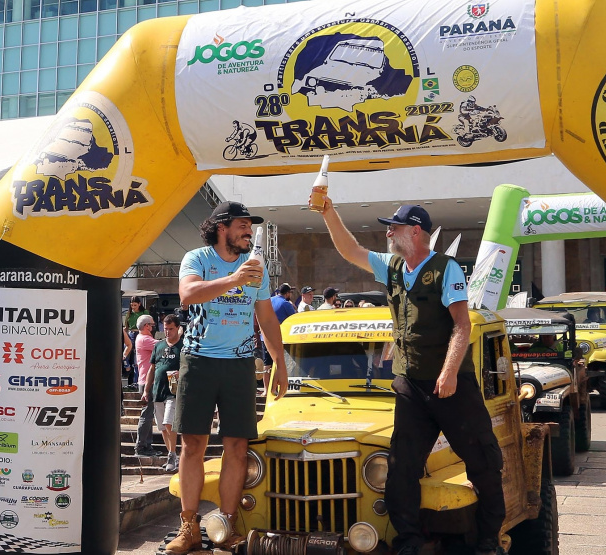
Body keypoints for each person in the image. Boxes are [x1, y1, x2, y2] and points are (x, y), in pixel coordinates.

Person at [315, 199, 505, 555]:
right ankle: (410, 541)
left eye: (394, 227)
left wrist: (449, 373)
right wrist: (328, 212)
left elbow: (462, 326)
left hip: (451, 385)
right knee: (402, 468)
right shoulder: (392, 266)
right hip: (410, 385)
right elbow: (350, 249)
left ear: (415, 231)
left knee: (482, 460)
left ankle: (488, 539)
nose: (388, 232)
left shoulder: (446, 269)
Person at [166, 201, 288, 555]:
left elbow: (266, 319)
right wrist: (234, 279)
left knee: (237, 447)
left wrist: (277, 360)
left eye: (250, 225)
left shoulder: (258, 268)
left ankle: (226, 525)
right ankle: (188, 527)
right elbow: (188, 295)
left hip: (239, 365)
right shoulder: (198, 258)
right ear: (222, 227)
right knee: (193, 445)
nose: (248, 230)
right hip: (199, 360)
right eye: (242, 224)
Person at [146, 314, 183, 472]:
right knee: (162, 426)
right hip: (158, 389)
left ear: (177, 328)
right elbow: (152, 368)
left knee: (169, 422)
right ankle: (172, 454)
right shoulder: (158, 346)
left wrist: (180, 373)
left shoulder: (183, 346)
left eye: (171, 329)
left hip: (173, 391)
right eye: (165, 329)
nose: (167, 332)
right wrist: (146, 390)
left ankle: (172, 454)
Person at [135, 314, 160, 457]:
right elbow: (164, 345)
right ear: (146, 326)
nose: (153, 327)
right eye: (151, 324)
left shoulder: (143, 339)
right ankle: (141, 446)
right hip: (147, 382)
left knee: (149, 415)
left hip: (146, 381)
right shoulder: (145, 339)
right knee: (147, 415)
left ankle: (147, 445)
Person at [124, 296, 149, 387]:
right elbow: (126, 327)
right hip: (130, 335)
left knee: (137, 359)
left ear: (139, 304)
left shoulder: (144, 312)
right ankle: (127, 370)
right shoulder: (129, 313)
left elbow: (149, 325)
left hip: (140, 334)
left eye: (135, 305)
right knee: (125, 355)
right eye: (132, 305)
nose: (133, 307)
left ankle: (136, 382)